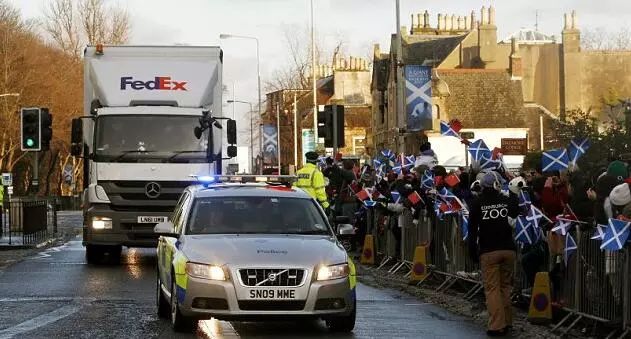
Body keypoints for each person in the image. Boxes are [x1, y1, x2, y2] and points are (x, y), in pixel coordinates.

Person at [468, 172, 519, 337]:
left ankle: (497, 325)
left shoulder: (476, 204)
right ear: (498, 185)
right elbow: (516, 211)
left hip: (489, 250)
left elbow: (472, 231)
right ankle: (508, 321)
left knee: (492, 289)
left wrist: (472, 251)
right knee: (505, 287)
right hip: (508, 249)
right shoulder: (505, 201)